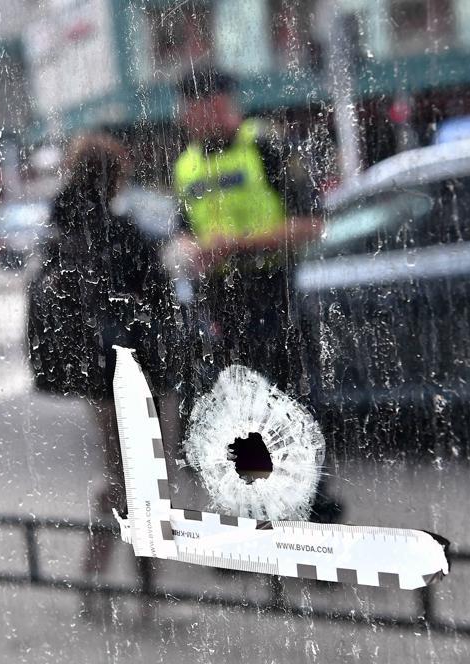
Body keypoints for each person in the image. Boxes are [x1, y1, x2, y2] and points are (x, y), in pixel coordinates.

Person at [170, 64, 342, 521]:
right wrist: (190, 250)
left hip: (272, 294)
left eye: (196, 106)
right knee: (236, 410)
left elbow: (312, 223)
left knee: (291, 403)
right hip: (219, 300)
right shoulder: (186, 163)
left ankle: (307, 508)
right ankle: (255, 513)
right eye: (186, 109)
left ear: (221, 103)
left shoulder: (265, 146)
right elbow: (183, 229)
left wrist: (238, 244)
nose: (189, 117)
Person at [24, 133, 178, 616]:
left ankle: (100, 585)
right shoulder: (125, 234)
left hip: (96, 375)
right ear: (116, 178)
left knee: (123, 476)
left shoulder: (61, 230)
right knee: (142, 480)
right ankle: (138, 591)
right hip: (137, 370)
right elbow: (159, 304)